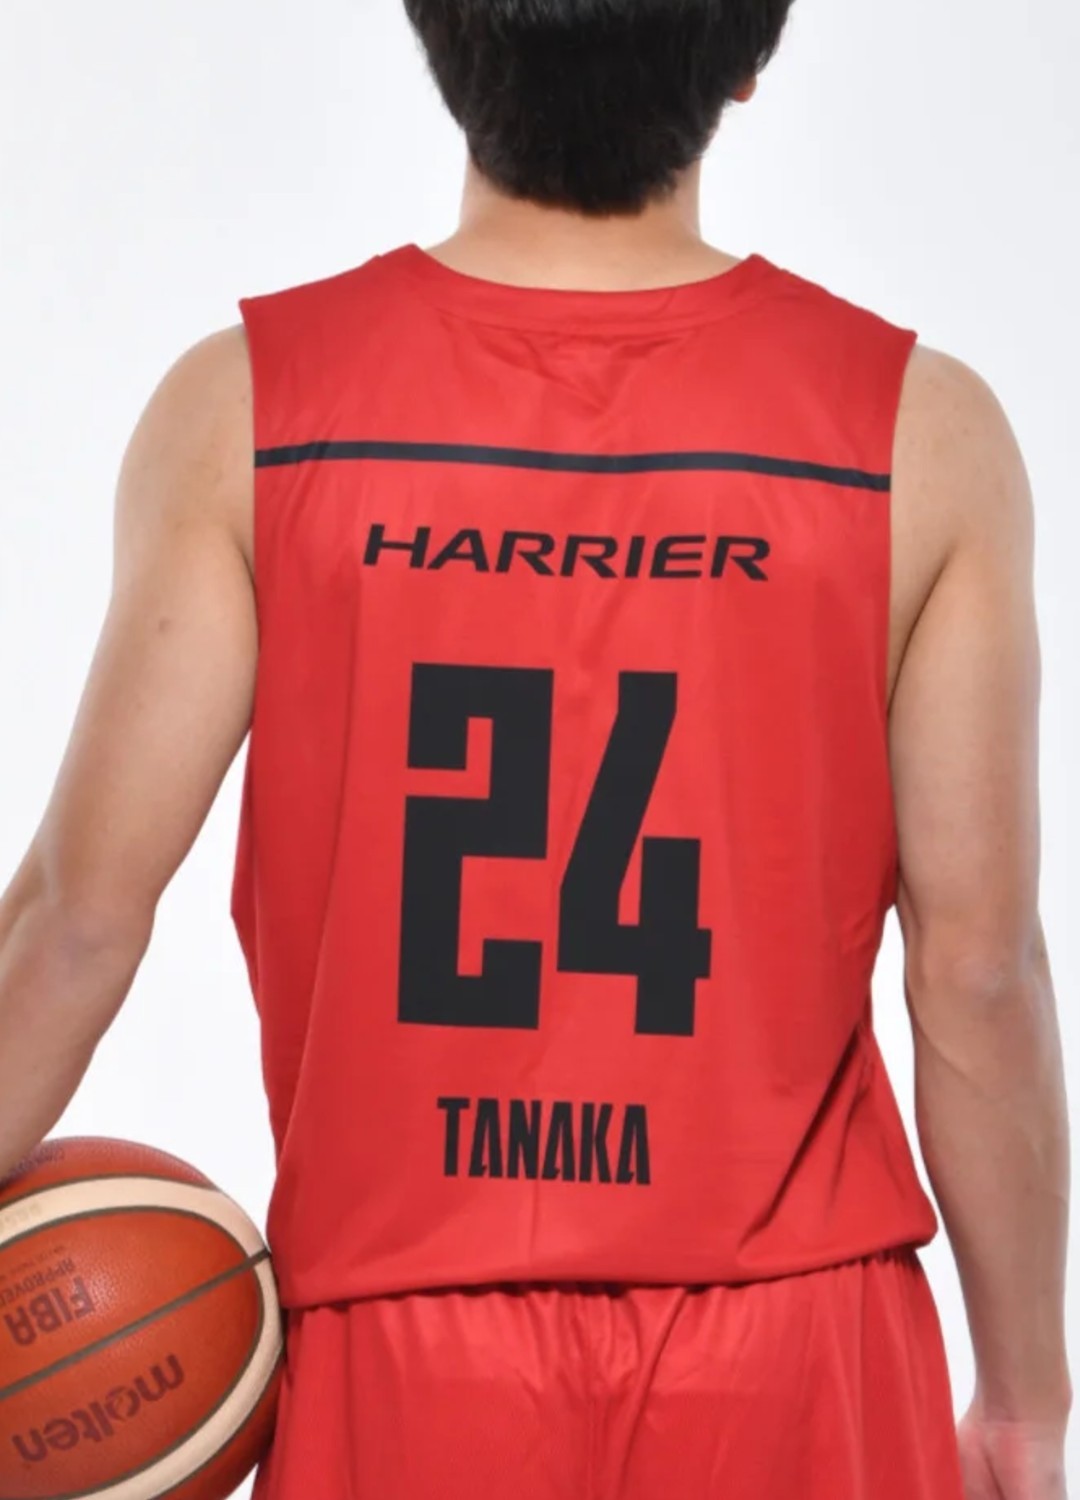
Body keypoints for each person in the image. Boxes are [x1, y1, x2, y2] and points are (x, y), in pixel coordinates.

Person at [0, 1, 1070, 1496]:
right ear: (751, 60)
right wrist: (1025, 1401)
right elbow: (977, 975)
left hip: (406, 1349)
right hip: (797, 1349)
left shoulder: (248, 413)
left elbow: (76, 924)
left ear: (434, 37)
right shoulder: (918, 435)